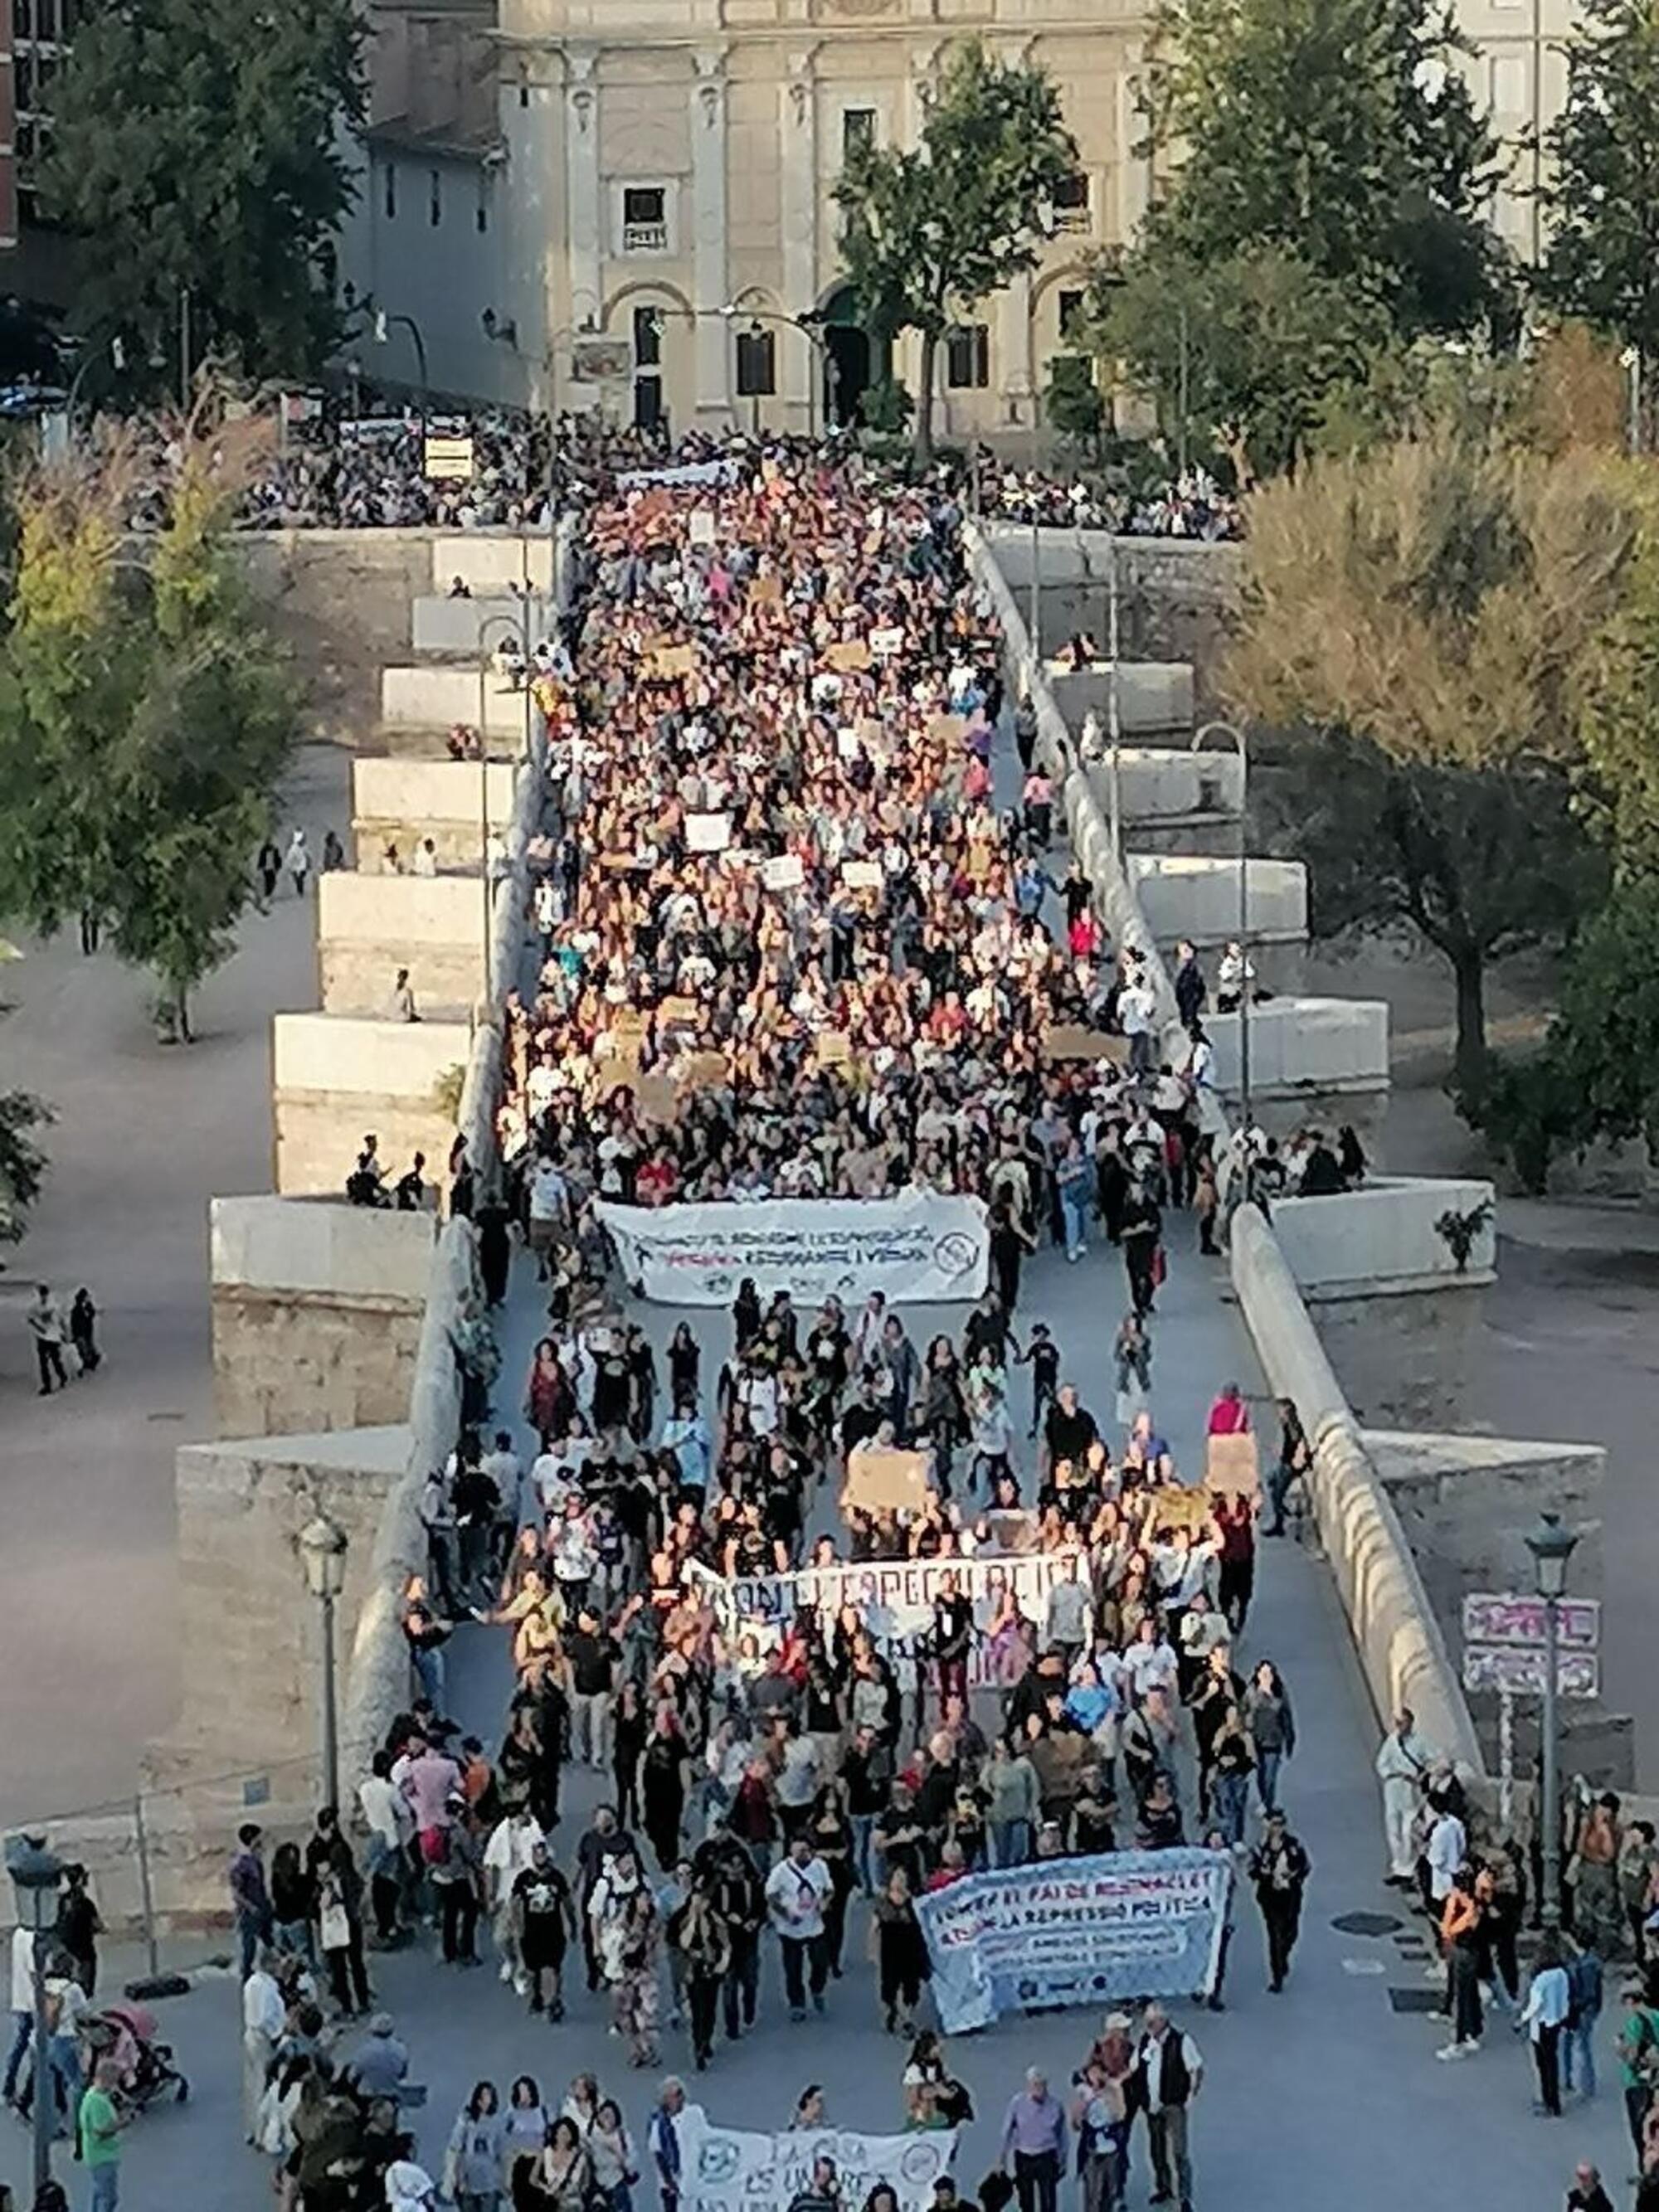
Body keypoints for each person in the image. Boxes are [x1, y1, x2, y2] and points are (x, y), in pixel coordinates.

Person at [1134, 2005, 1201, 2212]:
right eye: (1147, 2022)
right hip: (1152, 2105)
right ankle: (1163, 2186)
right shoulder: (1146, 2042)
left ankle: (1185, 2196)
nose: (1149, 2026)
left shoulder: (1181, 2041)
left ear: (1164, 2021)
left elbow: (1195, 2068)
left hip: (1173, 2104)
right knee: (1157, 2149)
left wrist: (1190, 2094)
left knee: (1179, 2151)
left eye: (1153, 2022)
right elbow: (1137, 2066)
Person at [766, 1834, 833, 2021]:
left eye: (805, 1850)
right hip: (790, 1927)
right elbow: (771, 1895)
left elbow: (829, 1889)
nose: (803, 1854)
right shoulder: (781, 1871)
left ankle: (817, 1987)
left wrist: (825, 1902)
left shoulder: (819, 1867)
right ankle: (797, 2003)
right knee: (793, 1967)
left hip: (814, 1924)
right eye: (798, 1850)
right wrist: (785, 1913)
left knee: (820, 1961)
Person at [1247, 1811, 1311, 1992]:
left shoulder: (1293, 1845)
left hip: (1290, 1895)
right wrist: (1263, 1873)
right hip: (1269, 1896)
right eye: (1274, 1824)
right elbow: (1252, 1870)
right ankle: (1277, 1976)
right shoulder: (1261, 1848)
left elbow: (1305, 1866)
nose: (1277, 1828)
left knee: (1291, 1931)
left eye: (1281, 1824)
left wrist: (1293, 1875)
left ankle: (1284, 1955)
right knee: (1275, 1934)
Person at [1374, 1710, 1433, 1887]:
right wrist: (1393, 1773)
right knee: (1393, 1827)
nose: (1401, 1726)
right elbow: (1381, 1764)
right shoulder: (1391, 1742)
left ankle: (1409, 1866)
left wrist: (1422, 1774)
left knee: (1408, 1828)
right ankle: (1398, 1865)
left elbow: (1432, 1759)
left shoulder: (1420, 1742)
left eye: (1404, 1722)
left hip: (1410, 1789)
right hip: (1393, 1788)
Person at [1000, 2067, 1066, 2212]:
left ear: (1046, 2085)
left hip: (1046, 2155)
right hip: (1024, 2156)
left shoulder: (1056, 2105)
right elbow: (1007, 2132)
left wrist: (1062, 2160)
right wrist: (1003, 2160)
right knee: (1025, 2200)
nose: (1038, 2088)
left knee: (1048, 2199)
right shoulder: (1017, 2103)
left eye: (1041, 2084)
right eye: (1034, 2084)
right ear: (1028, 2085)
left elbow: (1062, 2136)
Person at [1521, 1942, 1571, 2117]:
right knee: (1553, 2062)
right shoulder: (1562, 1974)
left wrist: (1522, 2019)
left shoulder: (1541, 1979)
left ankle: (1546, 2100)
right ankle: (1555, 2103)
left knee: (1542, 2064)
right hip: (1556, 2022)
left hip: (1541, 2024)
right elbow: (1565, 1998)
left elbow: (1535, 2004)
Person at [445, 2081, 508, 2212]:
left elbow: (501, 2154)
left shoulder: (497, 2122)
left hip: (490, 2183)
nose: (486, 2100)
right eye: (483, 2096)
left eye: (489, 2096)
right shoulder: (466, 2121)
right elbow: (455, 2149)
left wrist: (504, 2181)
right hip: (468, 2182)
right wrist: (457, 2178)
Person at [76, 2057, 126, 2212]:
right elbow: (101, 2131)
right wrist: (121, 2124)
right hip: (102, 2155)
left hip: (95, 2154)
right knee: (109, 2198)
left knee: (99, 2192)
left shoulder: (92, 2095)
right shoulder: (97, 2102)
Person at [649, 2077, 686, 2212]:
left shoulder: (691, 2114)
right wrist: (670, 2181)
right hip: (670, 2181)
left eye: (678, 2093)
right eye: (670, 2095)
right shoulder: (658, 2122)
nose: (675, 2098)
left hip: (690, 2179)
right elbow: (658, 2153)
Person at [27, 1286, 68, 1396]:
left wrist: (64, 1333)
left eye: (45, 1294)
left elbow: (61, 1320)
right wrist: (37, 1327)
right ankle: (47, 1385)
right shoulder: (34, 1306)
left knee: (55, 1360)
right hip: (42, 1338)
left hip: (54, 1337)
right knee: (43, 1363)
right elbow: (30, 1320)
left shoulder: (54, 1306)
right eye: (42, 1294)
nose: (43, 1296)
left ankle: (62, 1376)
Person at [67, 1291, 100, 1377]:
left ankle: (87, 1364)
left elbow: (91, 1315)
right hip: (82, 1331)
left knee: (85, 1348)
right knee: (84, 1348)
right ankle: (86, 1364)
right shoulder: (78, 1308)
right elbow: (77, 1321)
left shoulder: (84, 1307)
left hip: (84, 1331)